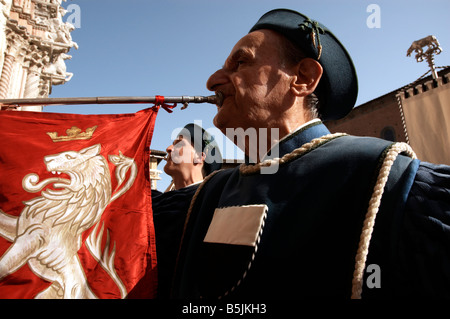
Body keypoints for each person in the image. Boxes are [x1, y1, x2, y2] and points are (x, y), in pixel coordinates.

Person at [171, 9, 450, 299]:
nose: (212, 80)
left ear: (302, 78)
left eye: (240, 62)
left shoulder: (382, 176)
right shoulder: (209, 193)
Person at [151, 123, 221, 298]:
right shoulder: (154, 201)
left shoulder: (214, 201)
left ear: (199, 157)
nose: (168, 148)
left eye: (179, 144)